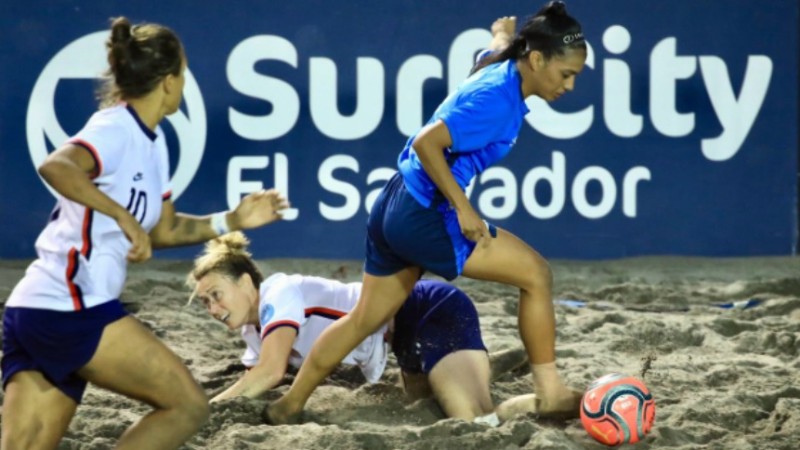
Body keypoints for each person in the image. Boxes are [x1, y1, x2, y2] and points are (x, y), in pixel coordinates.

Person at [266, 1, 587, 425]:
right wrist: (464, 208)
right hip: (425, 215)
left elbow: (489, 57)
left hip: (393, 204)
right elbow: (426, 142)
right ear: (538, 59)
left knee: (363, 320)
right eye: (566, 74)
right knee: (536, 275)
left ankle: (288, 405)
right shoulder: (497, 100)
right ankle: (550, 392)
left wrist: (501, 37)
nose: (570, 85)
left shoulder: (502, 67)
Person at [1, 17, 288, 450]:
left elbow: (165, 229)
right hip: (72, 306)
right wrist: (122, 216)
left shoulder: (153, 143)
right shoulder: (115, 127)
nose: (184, 84)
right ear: (169, 81)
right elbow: (56, 166)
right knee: (187, 406)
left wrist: (232, 220)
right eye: (184, 74)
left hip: (38, 310)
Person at [187, 232, 526, 423]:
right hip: (400, 341)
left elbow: (269, 373)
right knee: (429, 404)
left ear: (246, 281)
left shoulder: (278, 293)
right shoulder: (253, 332)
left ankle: (545, 402)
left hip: (426, 310)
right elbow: (253, 381)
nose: (213, 309)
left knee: (477, 422)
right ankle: (479, 366)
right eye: (204, 302)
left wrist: (201, 412)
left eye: (216, 295)